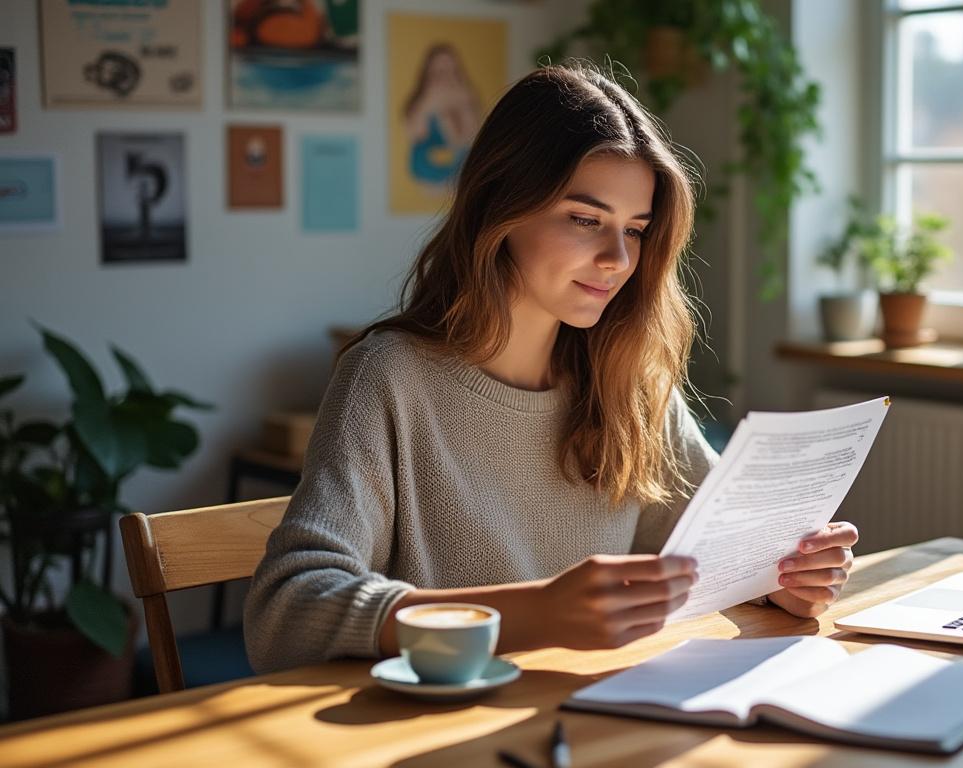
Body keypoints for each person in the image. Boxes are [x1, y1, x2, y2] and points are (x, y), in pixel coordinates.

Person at [243, 63, 859, 674]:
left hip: (598, 720)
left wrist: (782, 577)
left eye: (635, 230)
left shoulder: (628, 381)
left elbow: (724, 554)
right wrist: (535, 613)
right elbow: (286, 612)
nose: (618, 259)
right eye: (585, 219)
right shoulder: (388, 378)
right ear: (501, 208)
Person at [402, 44, 482, 188]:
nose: (444, 78)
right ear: (427, 73)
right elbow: (415, 133)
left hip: (457, 174)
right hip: (425, 173)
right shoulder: (419, 102)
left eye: (450, 71)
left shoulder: (465, 99)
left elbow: (468, 138)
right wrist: (430, 102)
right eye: (438, 72)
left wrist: (458, 107)